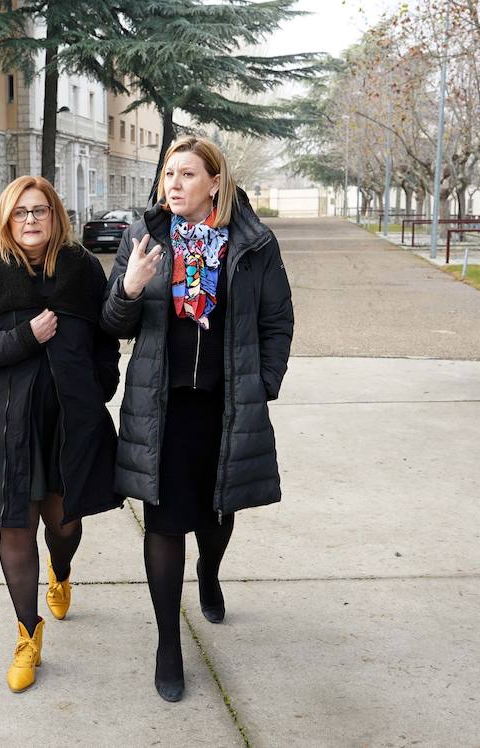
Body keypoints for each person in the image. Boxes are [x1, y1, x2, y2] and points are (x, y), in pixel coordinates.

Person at [101, 135, 294, 703]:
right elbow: (113, 323)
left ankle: (209, 572)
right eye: (169, 174)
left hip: (224, 403)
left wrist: (264, 385)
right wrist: (131, 286)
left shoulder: (253, 243)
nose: (175, 185)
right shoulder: (146, 237)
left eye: (187, 174)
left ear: (216, 182)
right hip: (162, 406)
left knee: (216, 511)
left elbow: (277, 321)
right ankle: (167, 643)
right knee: (162, 522)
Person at [0, 175, 122, 693]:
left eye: (39, 210)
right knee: (16, 526)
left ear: (55, 215)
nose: (30, 220)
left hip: (70, 419)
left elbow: (106, 337)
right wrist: (26, 336)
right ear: (6, 218)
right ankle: (27, 634)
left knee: (64, 520)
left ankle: (62, 570)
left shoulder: (82, 268)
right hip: (5, 422)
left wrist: (98, 387)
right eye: (20, 212)